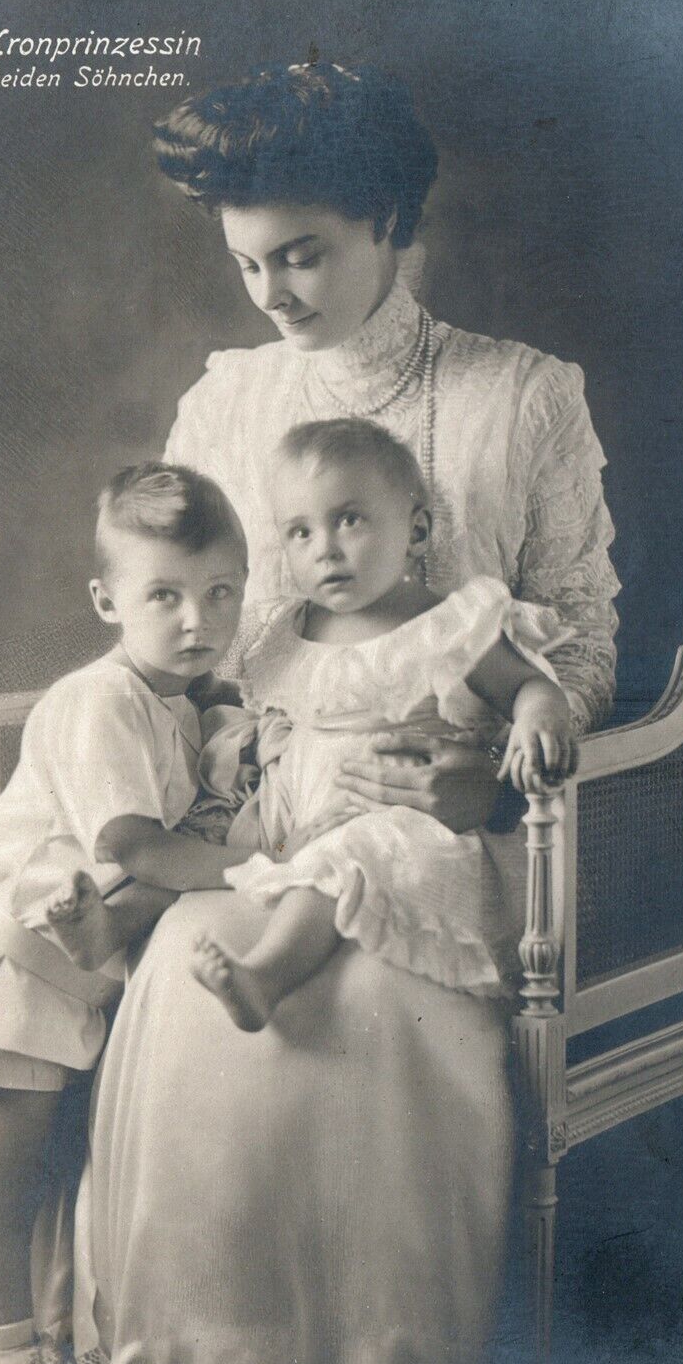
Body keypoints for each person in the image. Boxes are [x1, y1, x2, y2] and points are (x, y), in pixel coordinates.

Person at [72, 61, 620, 1364]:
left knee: (366, 1004)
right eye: (249, 260)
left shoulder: (523, 396)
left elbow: (583, 636)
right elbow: (181, 631)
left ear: (390, 222)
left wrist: (500, 754)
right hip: (273, 827)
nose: (275, 291)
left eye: (306, 251)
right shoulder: (229, 400)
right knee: (208, 959)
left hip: (456, 847)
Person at [0, 461, 249, 1364]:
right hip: (17, 971)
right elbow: (140, 848)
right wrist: (253, 859)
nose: (199, 619)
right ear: (108, 601)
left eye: (220, 590)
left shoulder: (177, 698)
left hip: (55, 967)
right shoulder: (100, 702)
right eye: (165, 596)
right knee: (3, 1188)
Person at [190, 417, 577, 1030]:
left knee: (354, 850)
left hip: (412, 829)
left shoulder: (446, 625)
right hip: (299, 825)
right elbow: (267, 721)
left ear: (416, 530)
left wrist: (537, 715)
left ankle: (265, 975)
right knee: (241, 853)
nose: (326, 548)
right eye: (300, 532)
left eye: (350, 519)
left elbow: (528, 684)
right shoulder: (284, 637)